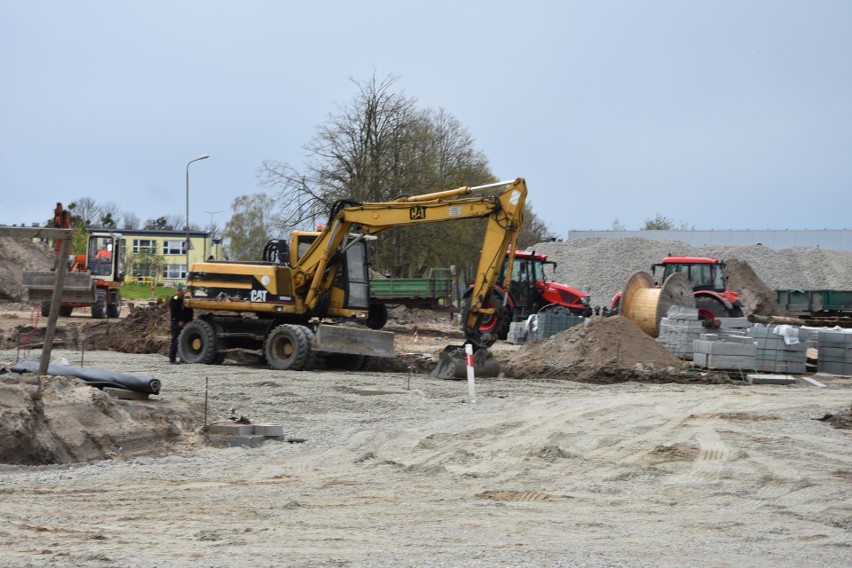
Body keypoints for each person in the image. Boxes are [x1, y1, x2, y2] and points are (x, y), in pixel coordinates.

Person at [169, 284, 194, 364]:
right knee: (175, 340)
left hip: (186, 322)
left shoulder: (185, 299)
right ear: (179, 292)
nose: (183, 293)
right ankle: (172, 359)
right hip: (177, 322)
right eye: (182, 291)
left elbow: (189, 311)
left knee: (185, 340)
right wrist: (179, 320)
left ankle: (183, 358)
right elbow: (174, 311)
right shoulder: (175, 298)